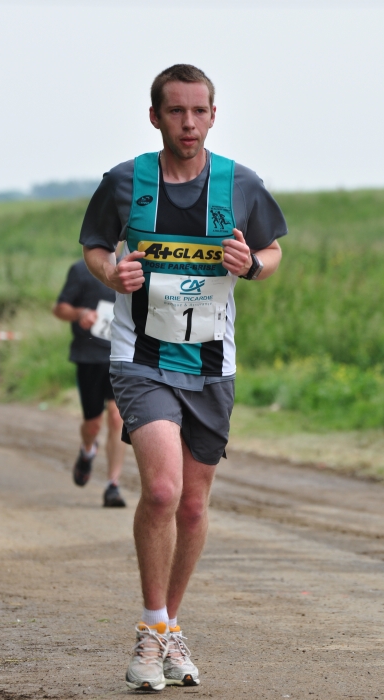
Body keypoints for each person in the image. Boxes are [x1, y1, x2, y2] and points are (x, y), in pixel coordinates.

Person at [80, 64, 287, 691]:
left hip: (212, 363)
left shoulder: (240, 184)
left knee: (193, 506)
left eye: (199, 112)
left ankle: (170, 628)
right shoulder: (125, 181)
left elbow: (273, 251)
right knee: (164, 491)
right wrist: (112, 274)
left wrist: (252, 265)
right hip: (140, 358)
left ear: (213, 116)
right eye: (176, 111)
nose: (188, 123)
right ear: (155, 117)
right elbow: (95, 247)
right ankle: (150, 632)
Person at [53, 259, 127, 508]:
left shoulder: (133, 267)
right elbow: (59, 308)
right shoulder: (81, 270)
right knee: (93, 424)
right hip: (89, 356)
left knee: (117, 417)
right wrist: (80, 313)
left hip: (122, 356)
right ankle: (87, 450)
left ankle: (113, 485)